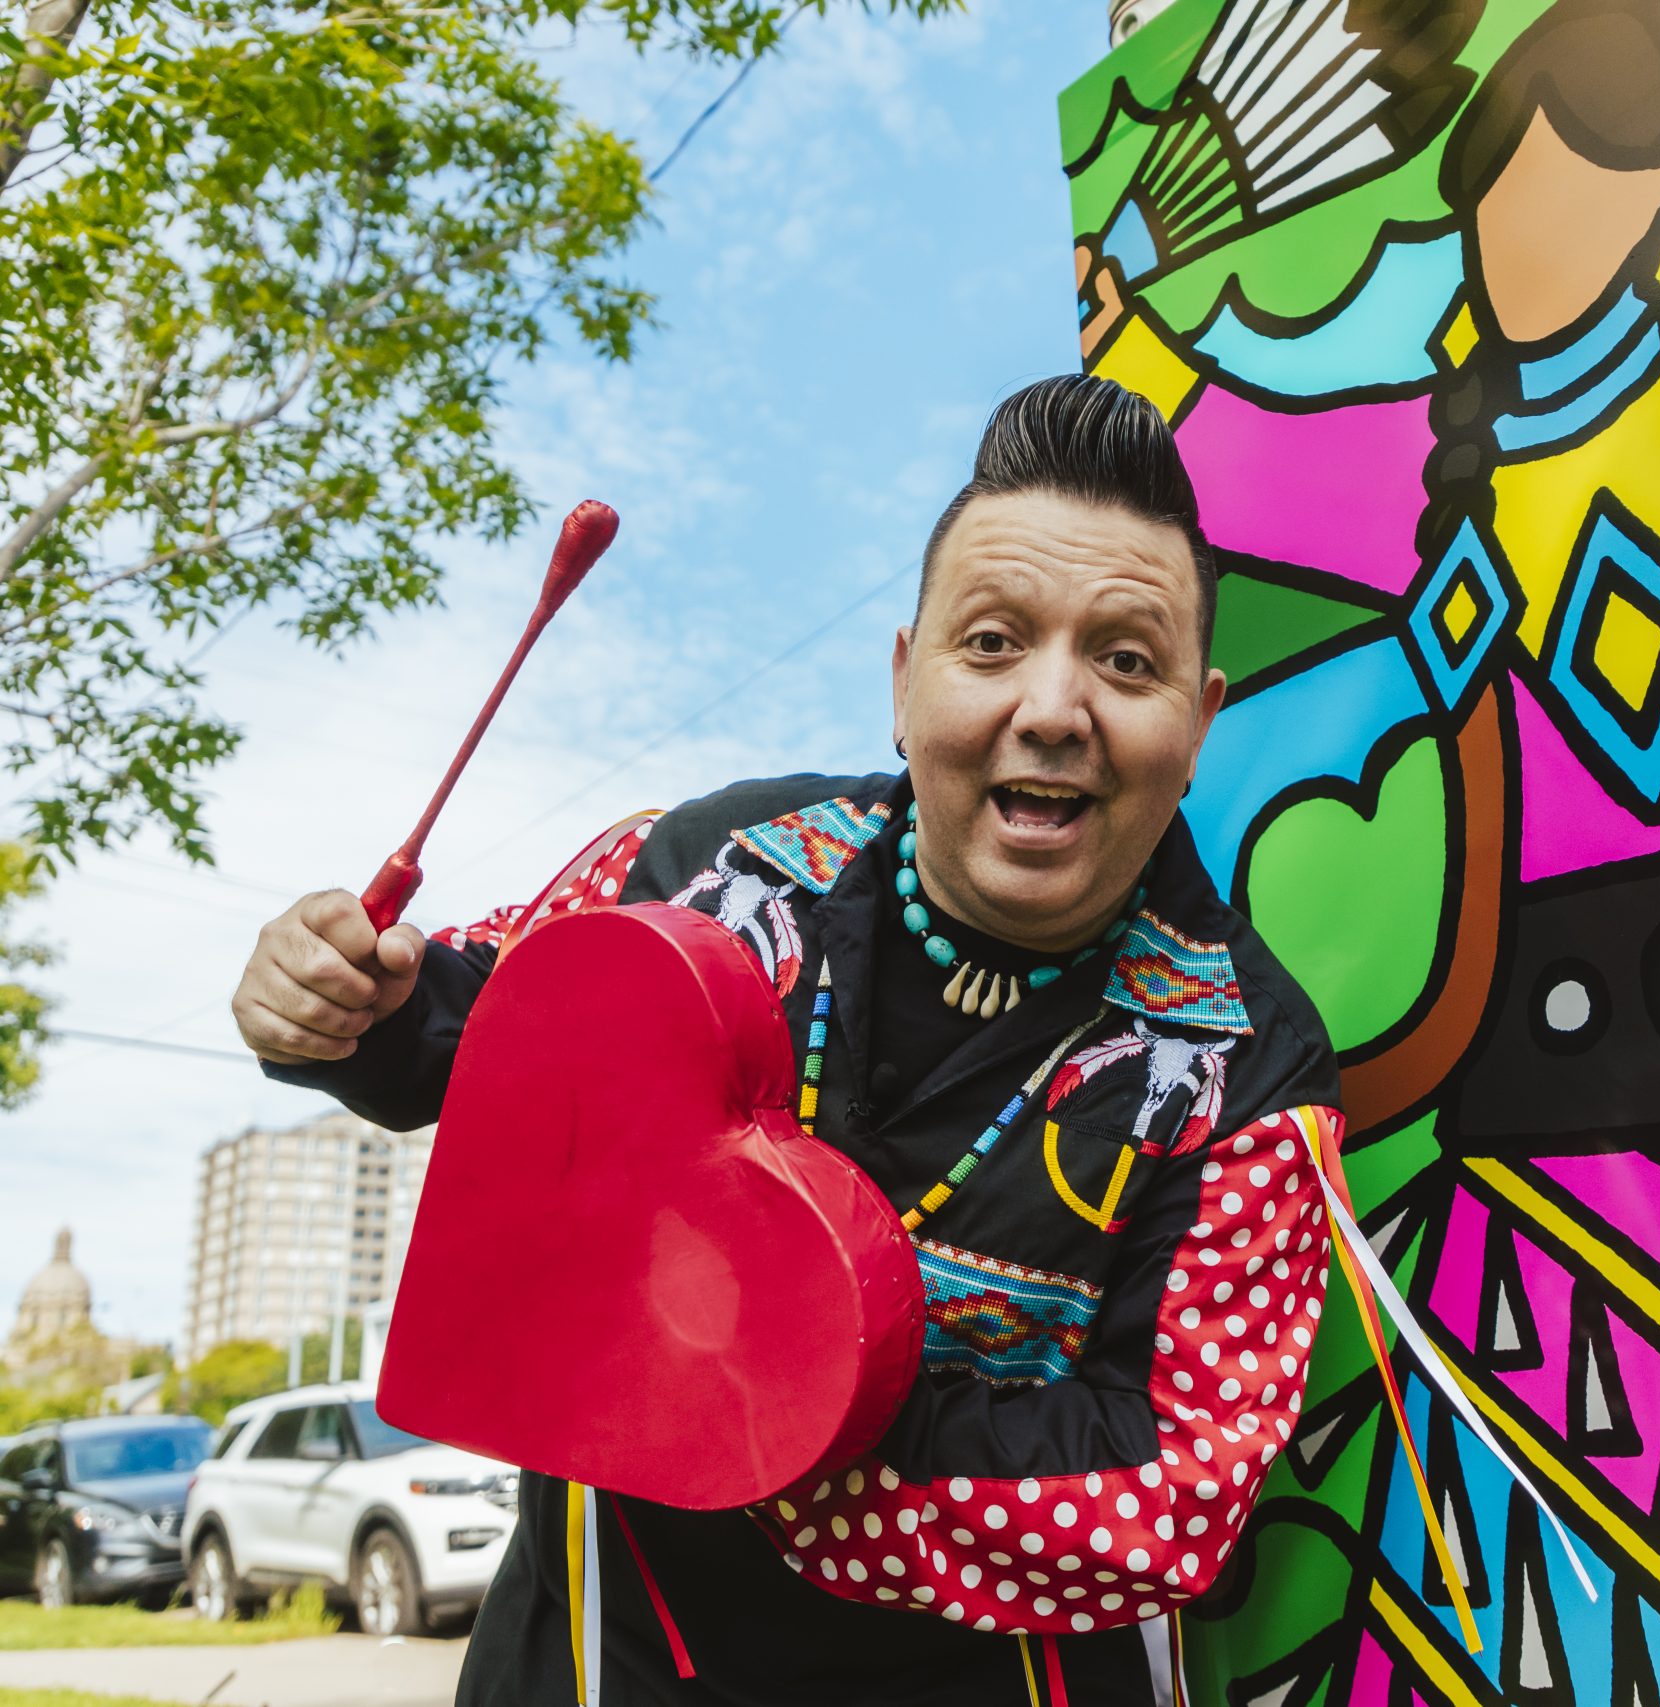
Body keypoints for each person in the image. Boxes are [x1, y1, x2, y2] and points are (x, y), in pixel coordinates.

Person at [230, 375, 1343, 1706]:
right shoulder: (707, 867)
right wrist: (341, 1005)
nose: (1054, 708)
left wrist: (780, 1411)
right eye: (991, 642)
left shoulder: (1250, 1068)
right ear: (903, 677)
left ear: (1199, 717)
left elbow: (1180, 1490)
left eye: (1125, 660)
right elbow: (456, 1030)